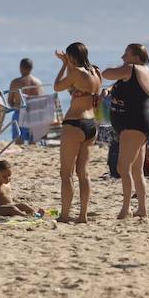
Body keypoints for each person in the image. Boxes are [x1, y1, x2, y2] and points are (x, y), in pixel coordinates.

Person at [102, 43, 149, 219]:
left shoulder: (132, 68)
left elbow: (107, 73)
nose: (123, 57)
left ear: (135, 57)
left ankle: (125, 208)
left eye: (126, 54)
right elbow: (123, 85)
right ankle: (142, 208)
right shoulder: (145, 72)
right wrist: (110, 89)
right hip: (140, 124)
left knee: (122, 167)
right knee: (136, 169)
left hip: (133, 124)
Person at [52, 42, 102, 223]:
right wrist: (70, 65)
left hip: (74, 123)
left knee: (66, 174)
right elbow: (73, 87)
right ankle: (83, 215)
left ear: (72, 57)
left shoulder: (75, 73)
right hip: (91, 124)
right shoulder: (96, 73)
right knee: (84, 173)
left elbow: (57, 86)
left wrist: (64, 64)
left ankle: (64, 215)